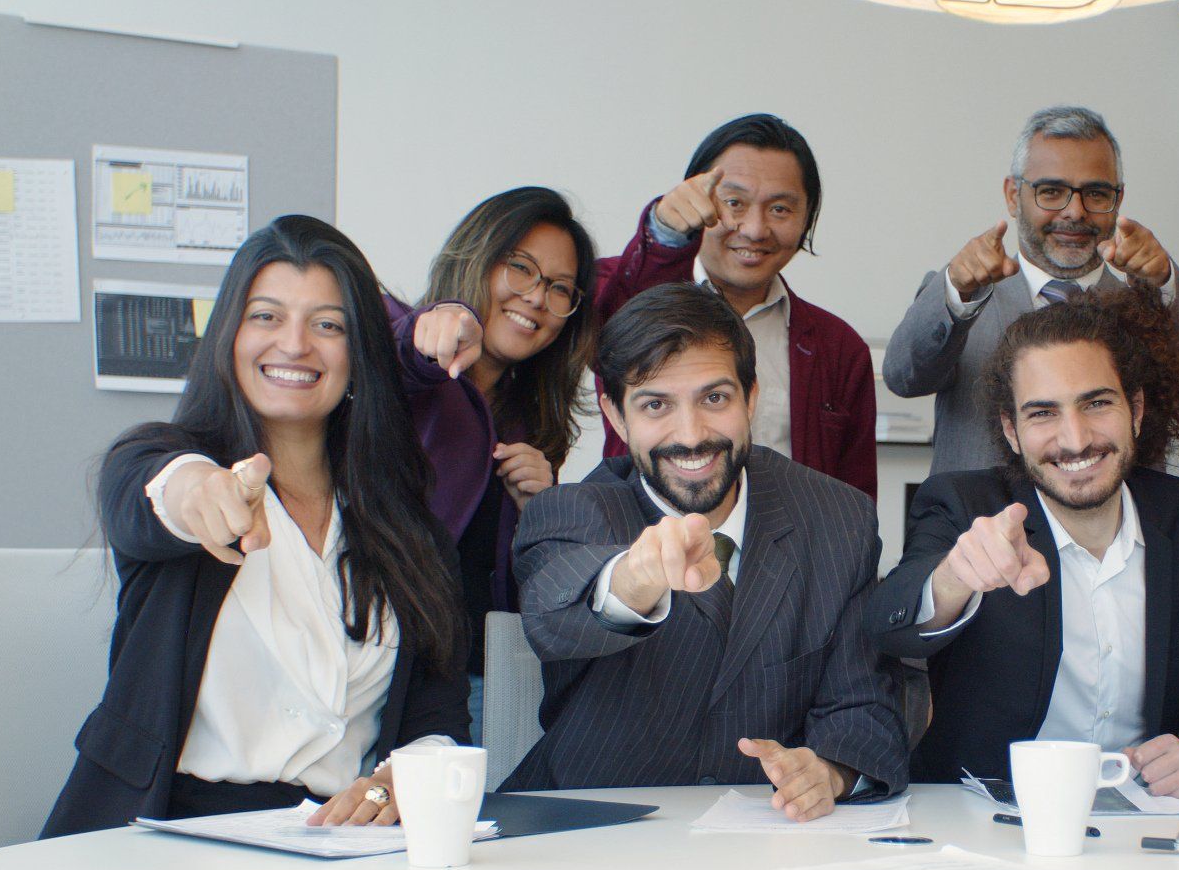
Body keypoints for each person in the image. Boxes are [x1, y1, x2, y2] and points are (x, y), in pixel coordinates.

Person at [43, 216, 469, 837]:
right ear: (229, 335)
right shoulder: (167, 463)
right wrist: (195, 490)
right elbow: (150, 491)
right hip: (166, 837)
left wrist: (402, 777)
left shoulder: (410, 530)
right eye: (266, 316)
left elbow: (439, 718)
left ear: (361, 353)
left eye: (328, 325)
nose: (294, 344)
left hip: (340, 848)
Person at [497, 283, 907, 821]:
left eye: (714, 399)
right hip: (589, 832)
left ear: (751, 397)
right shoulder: (571, 511)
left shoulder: (837, 519)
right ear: (617, 417)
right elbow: (553, 616)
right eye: (655, 405)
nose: (691, 436)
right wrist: (633, 578)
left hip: (768, 840)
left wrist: (829, 771)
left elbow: (862, 707)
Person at [870, 286, 1179, 791]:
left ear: (1136, 410)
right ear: (1011, 432)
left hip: (1143, 816)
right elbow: (886, 627)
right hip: (987, 817)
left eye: (1096, 403)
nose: (1075, 439)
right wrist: (952, 578)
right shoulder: (963, 505)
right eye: (1043, 413)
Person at [884, 104, 1179, 475]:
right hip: (979, 527)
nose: (1074, 211)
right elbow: (904, 376)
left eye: (1095, 193)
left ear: (1118, 199)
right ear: (1013, 196)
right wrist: (956, 292)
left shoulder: (1144, 298)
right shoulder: (964, 295)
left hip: (1114, 529)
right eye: (1051, 191)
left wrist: (1164, 283)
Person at [386, 188, 599, 729]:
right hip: (383, 669)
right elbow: (393, 347)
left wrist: (541, 509)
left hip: (482, 681)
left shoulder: (533, 418)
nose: (535, 298)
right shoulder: (407, 359)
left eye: (559, 289)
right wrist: (434, 328)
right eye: (520, 269)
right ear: (477, 257)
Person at [592, 114, 876, 498]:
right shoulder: (628, 292)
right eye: (734, 203)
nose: (755, 229)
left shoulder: (839, 347)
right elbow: (609, 323)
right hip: (644, 547)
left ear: (807, 217)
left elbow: (855, 502)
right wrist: (665, 235)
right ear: (696, 201)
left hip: (790, 554)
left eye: (780, 209)